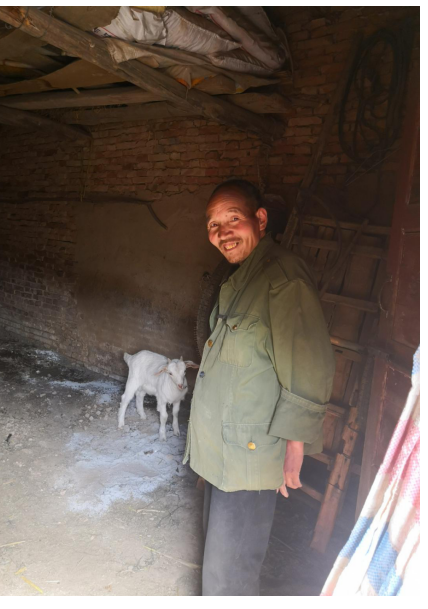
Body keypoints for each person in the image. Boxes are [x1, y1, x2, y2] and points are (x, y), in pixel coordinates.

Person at [183, 179, 336, 596]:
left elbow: (308, 362)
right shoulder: (241, 278)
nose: (223, 232)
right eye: (213, 224)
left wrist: (294, 444)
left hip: (250, 454)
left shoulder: (283, 278)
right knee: (218, 559)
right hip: (223, 448)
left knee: (228, 574)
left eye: (233, 218)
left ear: (260, 219)